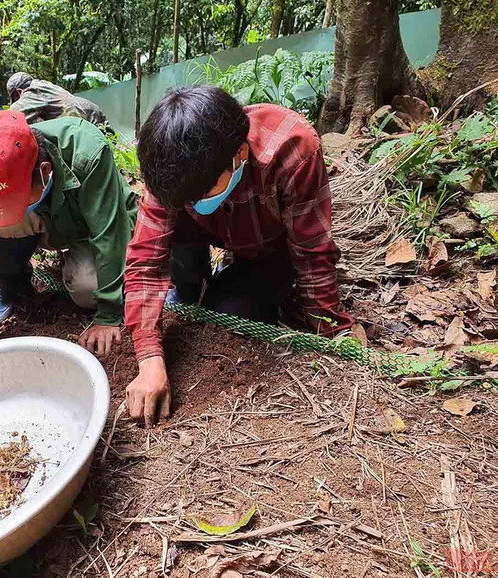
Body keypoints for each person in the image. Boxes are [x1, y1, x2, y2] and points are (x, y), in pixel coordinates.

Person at [123, 86, 355, 426]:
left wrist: (331, 330)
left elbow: (312, 252)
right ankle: (189, 287)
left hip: (269, 247)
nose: (192, 202)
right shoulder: (170, 165)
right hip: (200, 235)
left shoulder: (292, 151)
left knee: (233, 313)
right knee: (188, 296)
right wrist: (149, 357)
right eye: (183, 198)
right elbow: (146, 257)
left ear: (240, 154)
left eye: (201, 194)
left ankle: (233, 284)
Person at [0, 110, 137, 355]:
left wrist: (108, 315)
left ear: (45, 170)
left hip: (89, 225)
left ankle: (81, 269)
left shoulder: (86, 150)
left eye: (14, 201)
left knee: (86, 289)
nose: (10, 209)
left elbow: (108, 230)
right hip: (47, 223)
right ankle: (13, 291)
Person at [7, 72, 108, 127]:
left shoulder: (31, 92)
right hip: (89, 127)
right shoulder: (45, 86)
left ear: (19, 93)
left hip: (76, 135)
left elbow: (8, 117)